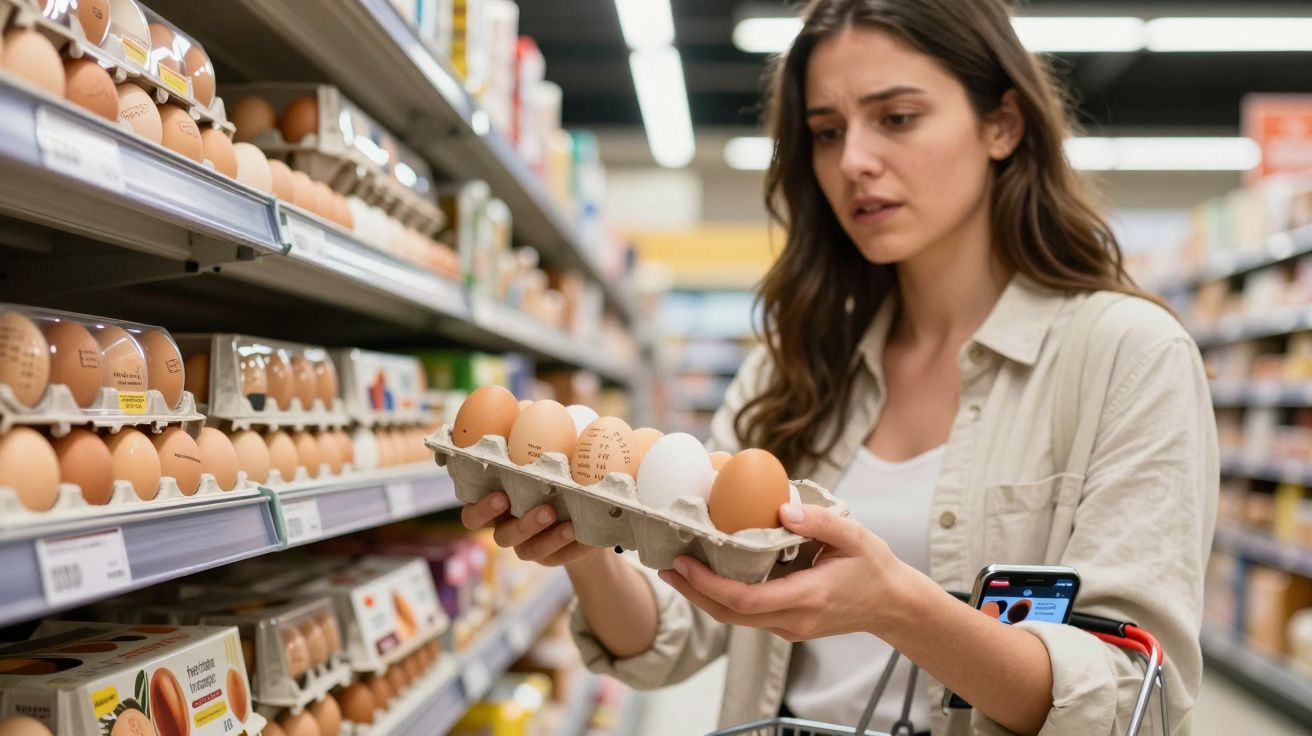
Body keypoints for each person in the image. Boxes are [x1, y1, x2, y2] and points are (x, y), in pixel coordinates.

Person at [460, 0, 1218, 733]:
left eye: (897, 117)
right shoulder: (792, 368)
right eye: (826, 131)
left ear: (1003, 123)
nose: (854, 160)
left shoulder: (1128, 357)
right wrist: (587, 548)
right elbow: (672, 640)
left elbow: (1128, 702)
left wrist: (897, 607)